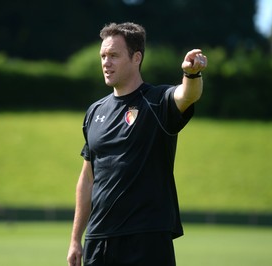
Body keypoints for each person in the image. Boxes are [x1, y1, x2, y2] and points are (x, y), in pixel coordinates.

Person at [67, 22, 207, 266]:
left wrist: (191, 73)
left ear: (136, 57)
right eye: (103, 56)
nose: (105, 63)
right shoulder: (94, 111)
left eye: (113, 55)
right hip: (99, 240)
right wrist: (75, 239)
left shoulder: (157, 101)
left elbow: (188, 95)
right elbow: (87, 179)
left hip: (146, 239)